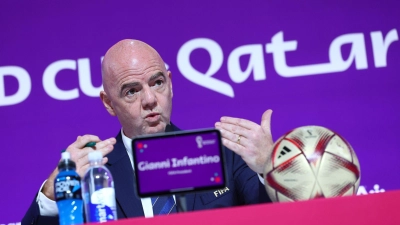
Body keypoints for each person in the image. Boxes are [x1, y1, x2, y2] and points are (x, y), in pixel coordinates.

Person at [22, 40, 274, 224]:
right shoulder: (95, 175)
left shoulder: (223, 154)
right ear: (109, 103)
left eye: (157, 83)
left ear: (171, 84)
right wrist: (51, 195)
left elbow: (274, 216)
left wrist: (267, 169)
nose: (151, 99)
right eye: (132, 91)